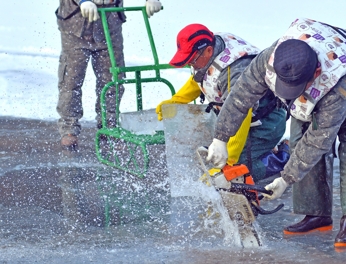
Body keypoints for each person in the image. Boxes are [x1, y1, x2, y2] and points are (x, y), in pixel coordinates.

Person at [205, 18, 346, 248]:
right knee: (297, 142)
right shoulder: (272, 58)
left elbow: (319, 140)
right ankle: (316, 214)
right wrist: (220, 137)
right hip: (315, 81)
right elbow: (241, 95)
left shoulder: (338, 81)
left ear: (316, 72)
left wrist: (285, 179)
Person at [155, 23, 288, 182]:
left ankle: (283, 159)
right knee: (220, 160)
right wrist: (176, 100)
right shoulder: (208, 51)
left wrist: (229, 160)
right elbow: (202, 77)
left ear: (208, 50)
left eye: (192, 61)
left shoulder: (235, 69)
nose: (191, 65)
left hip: (266, 122)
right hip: (238, 120)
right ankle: (263, 152)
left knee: (240, 169)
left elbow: (242, 112)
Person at [55, 0, 162, 150]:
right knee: (71, 80)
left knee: (113, 78)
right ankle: (69, 129)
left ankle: (108, 125)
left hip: (110, 23)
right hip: (76, 24)